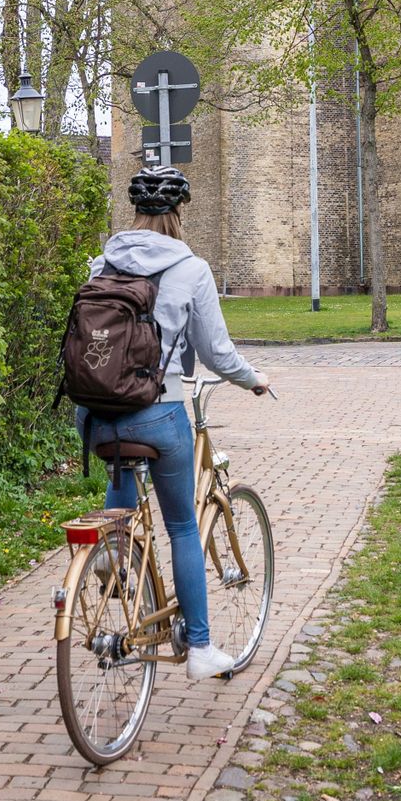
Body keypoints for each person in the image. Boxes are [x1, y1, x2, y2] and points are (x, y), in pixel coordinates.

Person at [83, 164, 270, 682]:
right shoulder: (191, 269)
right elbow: (216, 352)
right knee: (184, 525)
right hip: (159, 412)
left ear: (136, 213)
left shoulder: (102, 263)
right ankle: (203, 649)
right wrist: (253, 379)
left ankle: (109, 549)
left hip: (97, 415)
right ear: (179, 213)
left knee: (120, 461)